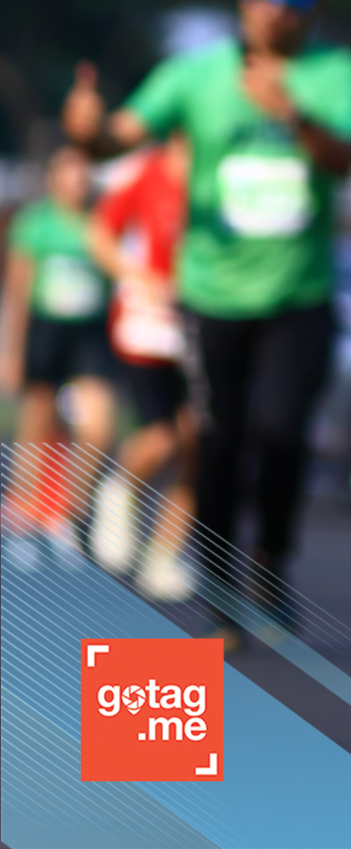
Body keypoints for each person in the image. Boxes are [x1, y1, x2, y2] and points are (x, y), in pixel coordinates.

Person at [63, 0, 351, 635]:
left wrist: (291, 115)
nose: (272, 8)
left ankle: (272, 558)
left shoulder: (338, 74)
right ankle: (223, 588)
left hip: (299, 294)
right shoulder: (195, 73)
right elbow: (115, 140)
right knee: (217, 441)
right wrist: (85, 133)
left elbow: (348, 162)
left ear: (315, 6)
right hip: (210, 297)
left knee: (283, 432)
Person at [86, 134, 199, 601]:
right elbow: (100, 234)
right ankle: (118, 489)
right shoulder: (143, 171)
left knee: (198, 447)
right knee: (162, 436)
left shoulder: (223, 173)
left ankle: (164, 554)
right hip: (149, 327)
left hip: (204, 324)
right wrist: (136, 276)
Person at [0, 144, 115, 541]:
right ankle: (23, 505)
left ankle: (72, 511)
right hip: (46, 330)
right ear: (53, 177)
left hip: (90, 336)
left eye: (84, 171)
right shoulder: (35, 224)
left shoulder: (100, 221)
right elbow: (18, 293)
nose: (77, 180)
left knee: (98, 425)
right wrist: (11, 352)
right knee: (37, 419)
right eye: (69, 171)